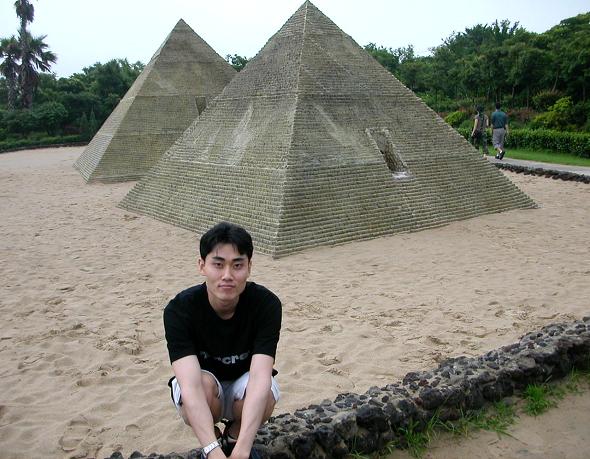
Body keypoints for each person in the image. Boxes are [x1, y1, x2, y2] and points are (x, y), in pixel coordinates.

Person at [164, 222, 282, 459]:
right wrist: (212, 451)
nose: (227, 275)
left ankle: (235, 435)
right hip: (208, 390)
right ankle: (214, 440)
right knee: (198, 386)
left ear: (249, 267)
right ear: (202, 266)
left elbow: (260, 376)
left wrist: (243, 448)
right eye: (218, 264)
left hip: (243, 386)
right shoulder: (180, 310)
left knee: (267, 390)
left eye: (237, 265)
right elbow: (190, 385)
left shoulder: (266, 304)